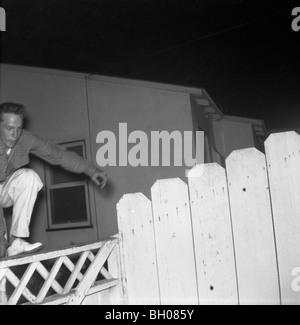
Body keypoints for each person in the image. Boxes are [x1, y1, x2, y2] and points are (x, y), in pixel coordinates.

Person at [0, 102, 107, 258]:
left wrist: (91, 170)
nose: (15, 135)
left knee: (29, 177)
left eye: (18, 128)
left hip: (4, 188)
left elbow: (58, 155)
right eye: (9, 129)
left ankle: (16, 241)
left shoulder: (25, 139)